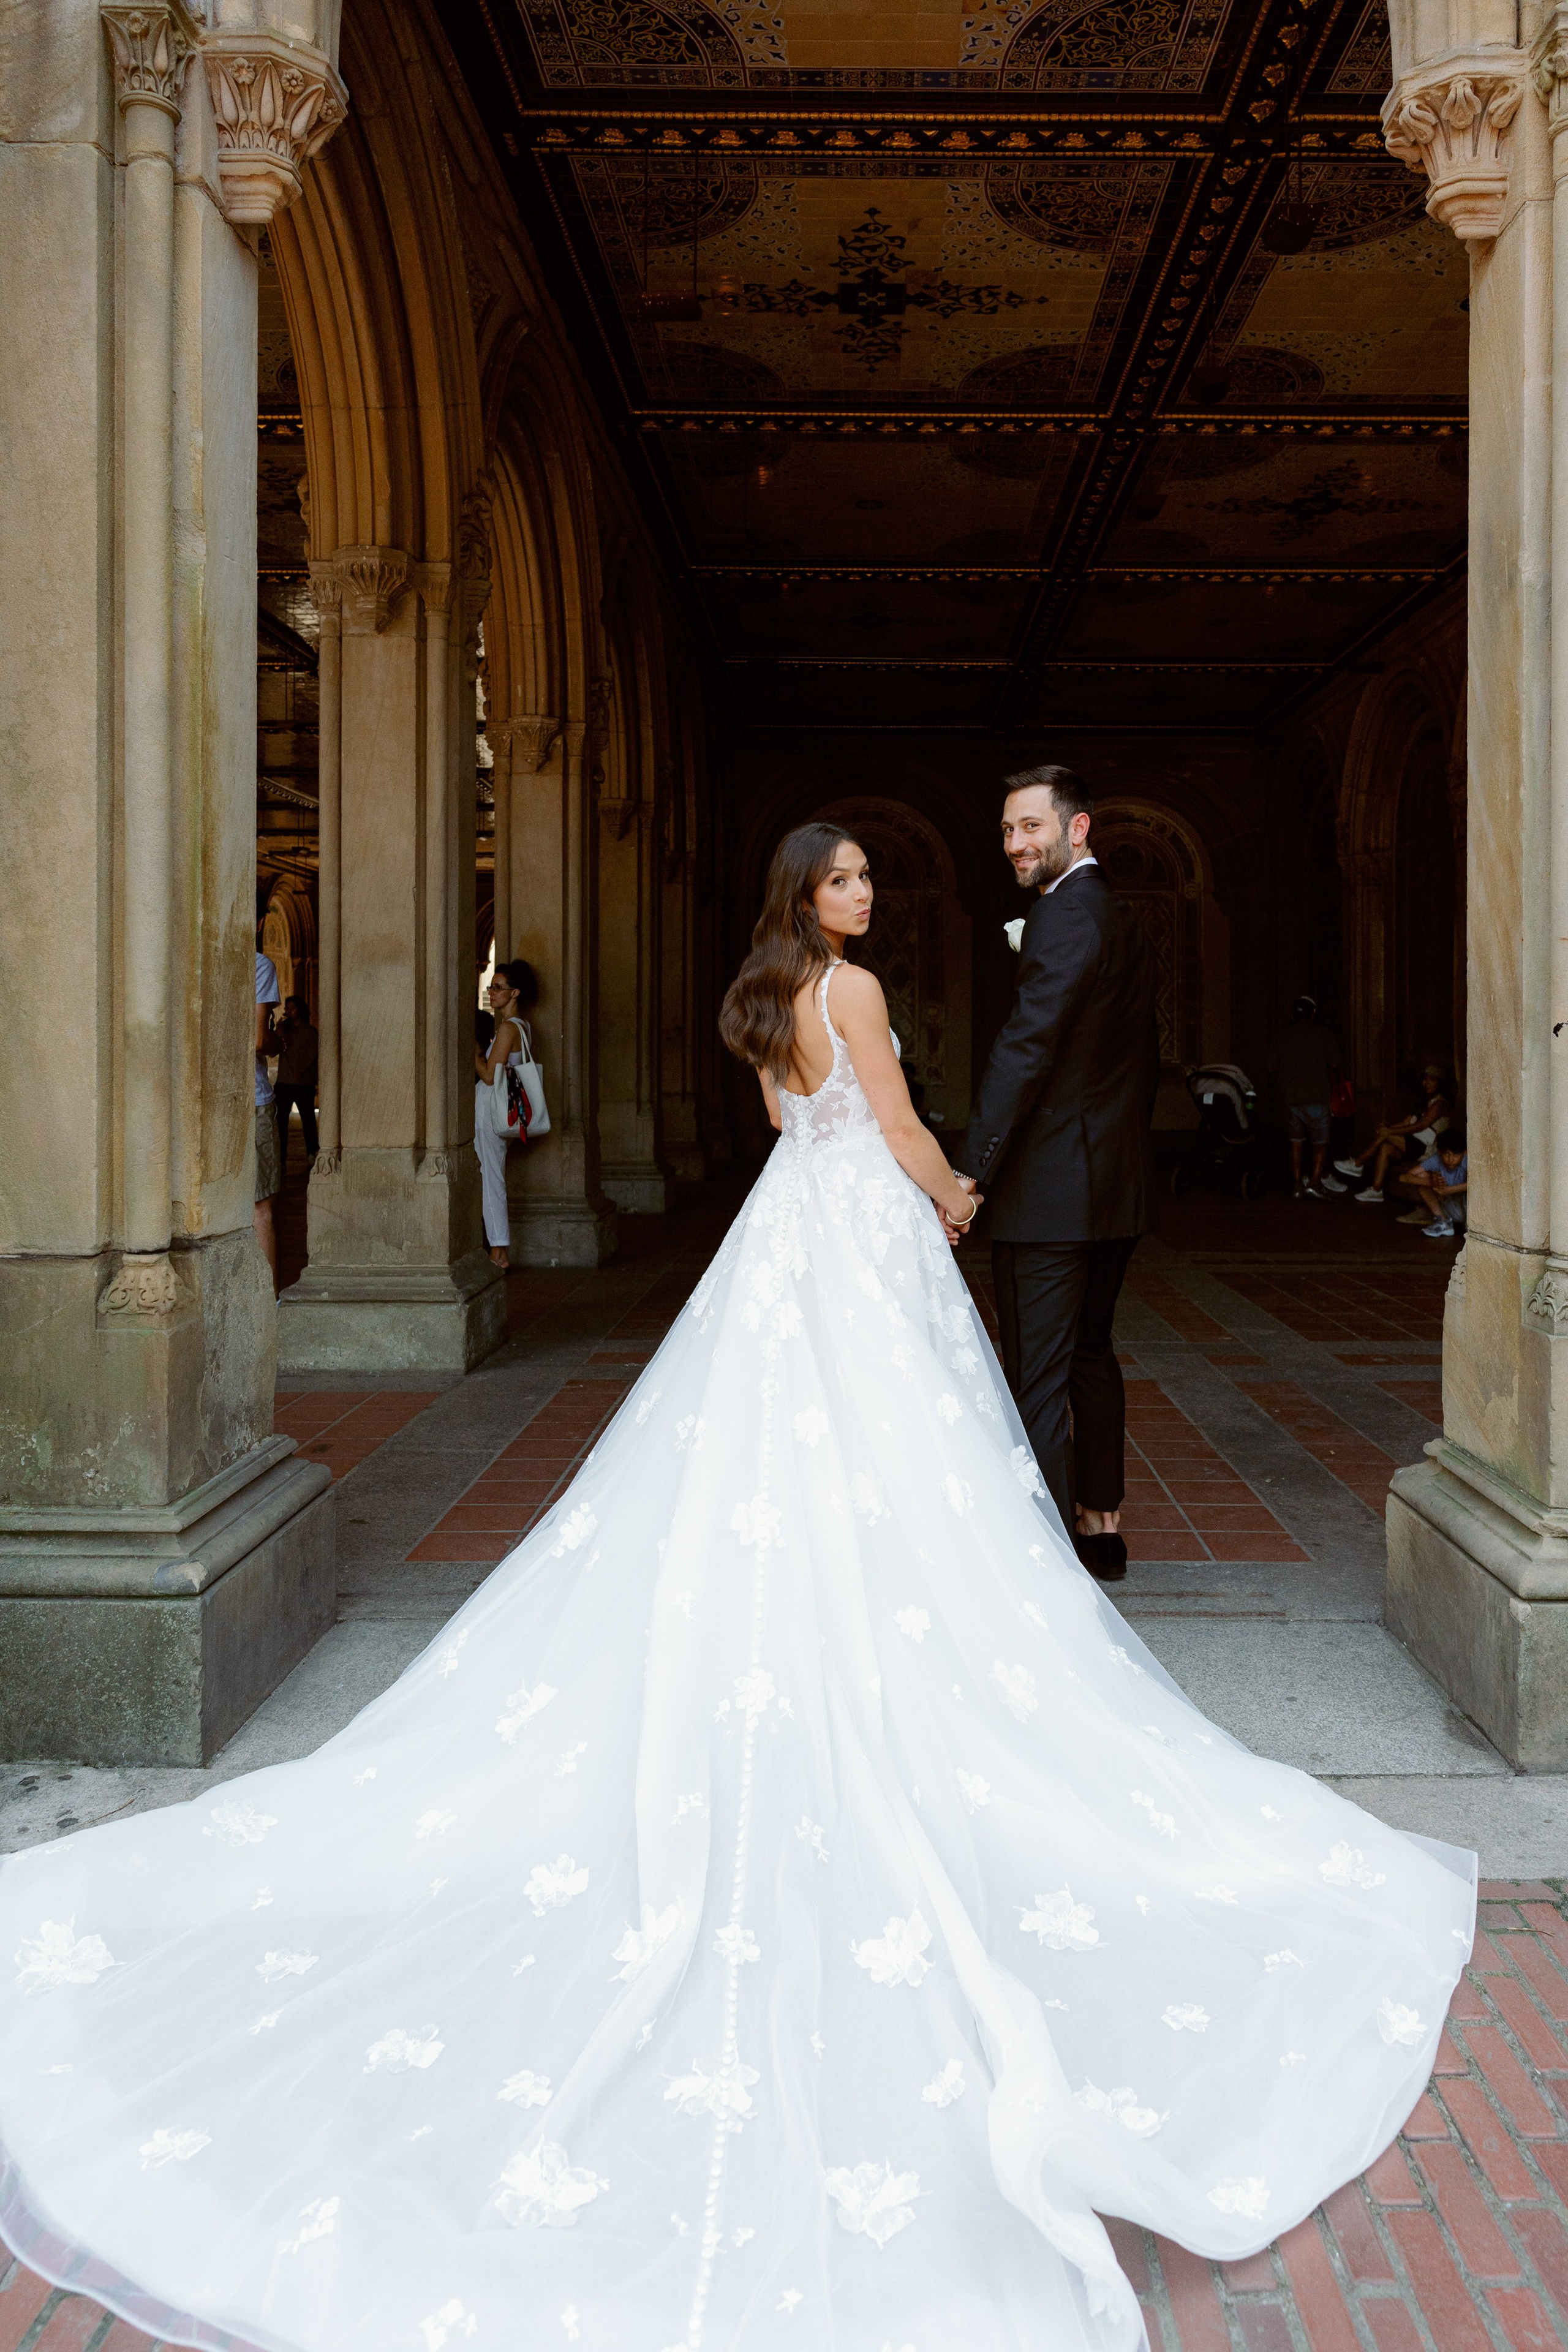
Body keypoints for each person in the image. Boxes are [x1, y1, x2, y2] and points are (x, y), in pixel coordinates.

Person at [0, 822, 1475, 2352]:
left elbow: (786, 1129)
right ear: (807, 896)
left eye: (861, 880)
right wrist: (955, 1200)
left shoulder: (762, 992)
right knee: (903, 1472)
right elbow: (893, 1127)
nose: (864, 894)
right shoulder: (848, 987)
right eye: (844, 877)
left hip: (786, 1247)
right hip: (863, 1244)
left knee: (767, 1466)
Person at [954, 766, 1160, 1585]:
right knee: (1091, 1353)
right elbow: (1136, 1060)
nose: (1015, 844)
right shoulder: (1120, 917)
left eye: (1031, 827)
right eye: (1007, 830)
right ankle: (1100, 1523)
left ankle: (1041, 1559)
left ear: (1078, 830)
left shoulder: (1064, 915)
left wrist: (972, 1168)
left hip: (1050, 1194)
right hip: (1112, 1186)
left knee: (1037, 1375)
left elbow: (1026, 1048)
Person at [473, 959, 538, 1268]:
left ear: (515, 993)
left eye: (498, 988)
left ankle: (498, 1251)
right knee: (491, 1175)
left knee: (491, 1178)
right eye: (491, 986)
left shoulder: (509, 1029)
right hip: (504, 1110)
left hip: (492, 1109)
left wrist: (473, 1053)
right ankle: (495, 1246)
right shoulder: (522, 1027)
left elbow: (489, 1076)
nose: (492, 992)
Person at [1322, 1064, 1452, 1202]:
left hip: (1428, 1148)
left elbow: (1421, 1126)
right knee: (1385, 1148)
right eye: (1425, 1079)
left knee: (1386, 1136)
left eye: (1432, 1080)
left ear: (1440, 1083)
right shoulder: (1423, 1103)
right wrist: (1385, 1129)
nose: (1427, 1083)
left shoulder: (1440, 1105)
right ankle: (1376, 1190)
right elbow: (1406, 1122)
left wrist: (1389, 1132)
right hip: (1415, 1145)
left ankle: (1357, 1164)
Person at [1264, 995, 1341, 1200]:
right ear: (1313, 1014)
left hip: (1291, 1099)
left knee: (1296, 1143)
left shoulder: (1282, 1036)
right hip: (1317, 1097)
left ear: (1292, 1015)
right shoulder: (1324, 1034)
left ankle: (1297, 1184)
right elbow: (1335, 1063)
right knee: (1320, 1143)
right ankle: (1315, 1183)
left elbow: (1271, 1066)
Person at [252, 943, 281, 1286]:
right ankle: (267, 1302)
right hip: (253, 1097)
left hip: (207, 1096)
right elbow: (259, 1040)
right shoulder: (259, 965)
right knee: (261, 1208)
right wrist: (279, 1043)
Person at [272, 995, 319, 1177]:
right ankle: (281, 1159)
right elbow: (274, 1049)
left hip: (303, 1084)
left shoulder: (310, 1031)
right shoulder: (285, 1030)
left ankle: (312, 1154)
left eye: (293, 1008)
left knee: (308, 1121)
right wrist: (278, 1032)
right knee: (280, 1123)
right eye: (288, 1008)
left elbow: (313, 1055)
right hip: (284, 1083)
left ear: (300, 1009)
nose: (289, 1011)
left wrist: (301, 1070)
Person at [1395, 1126, 1468, 1238]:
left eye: (1456, 1155)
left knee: (1474, 1189)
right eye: (1447, 1154)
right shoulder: (1436, 1159)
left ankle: (1469, 1225)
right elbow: (1404, 1178)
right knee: (1421, 1176)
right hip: (1449, 1209)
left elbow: (1479, 1184)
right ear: (1440, 1152)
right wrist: (1431, 1182)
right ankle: (1443, 1222)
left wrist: (1448, 1190)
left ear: (1465, 1152)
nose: (1451, 1159)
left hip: (1468, 1209)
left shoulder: (1467, 1160)